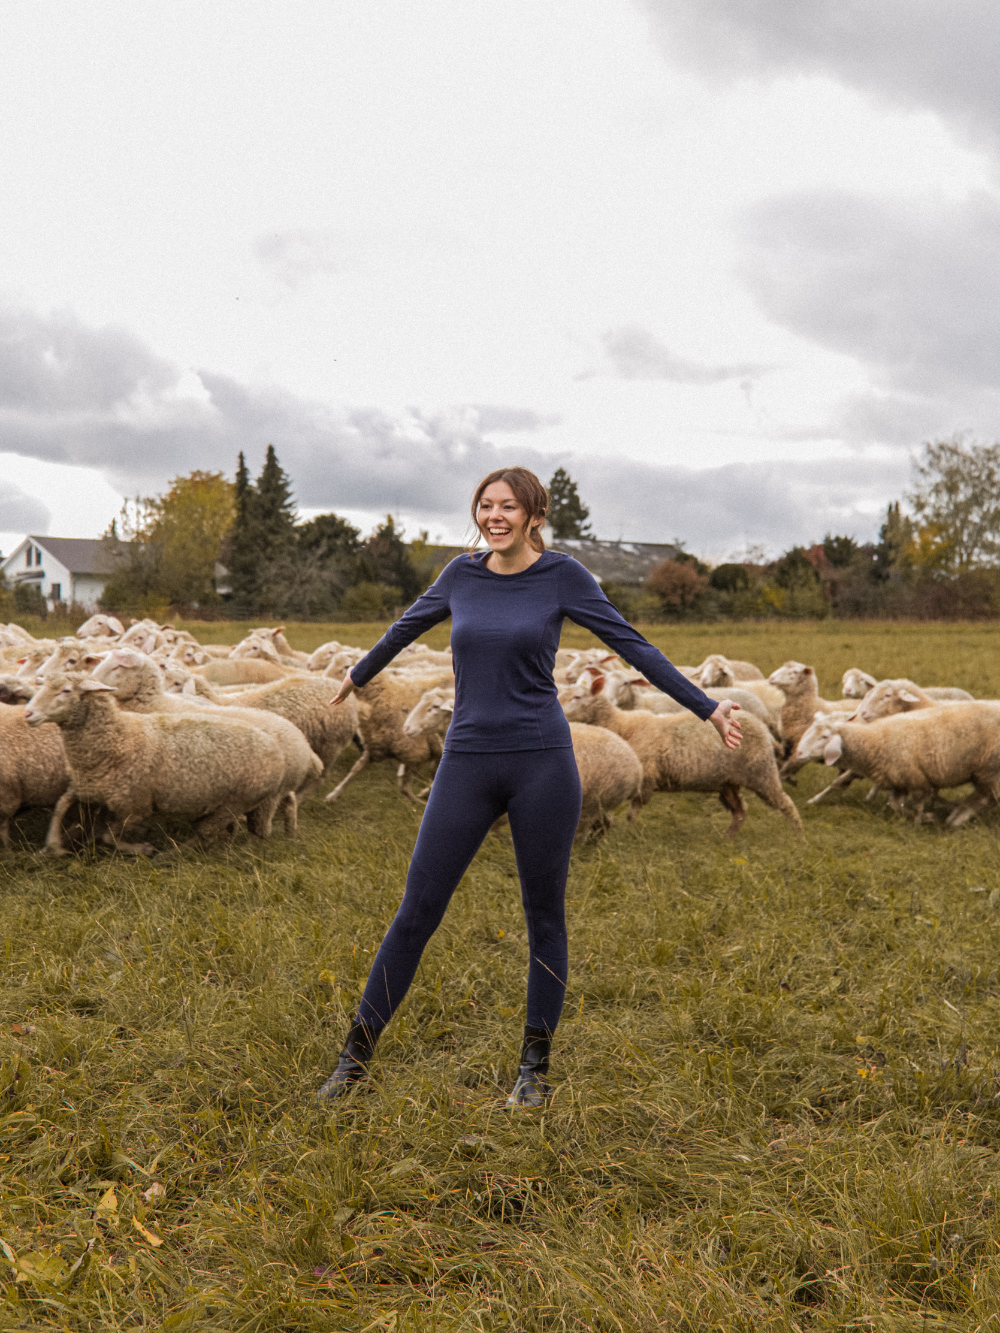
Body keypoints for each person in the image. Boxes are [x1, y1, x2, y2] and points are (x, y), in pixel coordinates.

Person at [316, 467, 741, 1108]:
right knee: (416, 911)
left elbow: (632, 645)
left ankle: (533, 1072)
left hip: (543, 762)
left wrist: (705, 706)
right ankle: (353, 1061)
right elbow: (407, 626)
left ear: (535, 516)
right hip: (466, 762)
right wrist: (358, 671)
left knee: (544, 918)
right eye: (485, 505)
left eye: (508, 507)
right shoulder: (461, 574)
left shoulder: (564, 576)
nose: (494, 516)